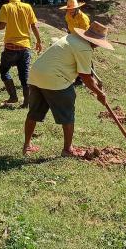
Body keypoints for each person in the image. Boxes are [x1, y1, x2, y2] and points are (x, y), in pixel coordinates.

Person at [23, 20, 114, 157]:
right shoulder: (85, 48)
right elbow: (85, 77)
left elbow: (85, 73)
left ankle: (27, 145)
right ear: (95, 41)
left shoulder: (71, 38)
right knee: (68, 113)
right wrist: (99, 93)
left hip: (36, 75)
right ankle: (67, 150)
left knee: (34, 112)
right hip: (55, 79)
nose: (98, 46)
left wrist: (94, 84)